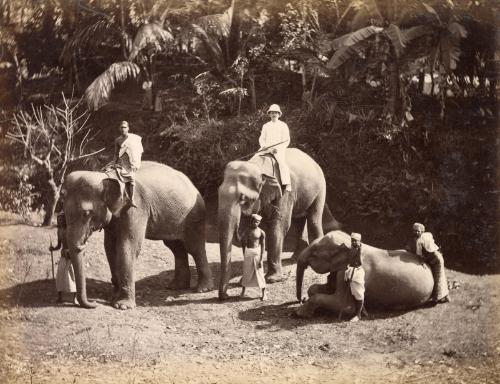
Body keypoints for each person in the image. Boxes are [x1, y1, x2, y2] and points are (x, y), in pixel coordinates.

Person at [405, 223, 450, 304]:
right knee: (439, 275)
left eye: (418, 231)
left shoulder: (420, 240)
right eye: (415, 231)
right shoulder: (427, 235)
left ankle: (437, 297)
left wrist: (423, 261)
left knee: (438, 276)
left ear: (422, 231)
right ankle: (445, 295)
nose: (416, 232)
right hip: (436, 256)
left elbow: (422, 253)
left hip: (435, 257)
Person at [258, 104, 291, 192]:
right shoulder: (266, 126)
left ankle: (287, 184)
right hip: (266, 148)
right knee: (255, 159)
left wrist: (278, 148)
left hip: (278, 150)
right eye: (272, 112)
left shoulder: (283, 125)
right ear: (269, 114)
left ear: (279, 114)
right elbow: (262, 139)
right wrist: (265, 146)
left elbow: (286, 140)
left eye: (276, 113)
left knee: (282, 164)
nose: (274, 114)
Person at [49, 212, 77, 305]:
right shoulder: (59, 231)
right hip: (63, 255)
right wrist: (53, 248)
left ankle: (75, 298)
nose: (60, 221)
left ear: (66, 220)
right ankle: (60, 297)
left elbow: (75, 244)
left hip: (72, 256)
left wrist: (71, 252)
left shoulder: (71, 230)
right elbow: (59, 245)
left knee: (72, 276)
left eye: (62, 219)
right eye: (59, 220)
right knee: (60, 276)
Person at [114, 121, 143, 207]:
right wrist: (115, 162)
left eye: (125, 127)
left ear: (128, 128)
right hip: (121, 161)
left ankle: (132, 199)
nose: (123, 129)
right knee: (116, 177)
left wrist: (135, 163)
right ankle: (120, 198)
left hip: (130, 162)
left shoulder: (133, 139)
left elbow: (137, 151)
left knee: (132, 179)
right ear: (119, 129)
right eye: (122, 127)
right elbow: (116, 153)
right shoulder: (118, 140)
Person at [240, 214, 267, 300]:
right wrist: (245, 254)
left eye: (258, 222)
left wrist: (261, 259)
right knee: (246, 273)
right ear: (251, 221)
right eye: (254, 221)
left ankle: (264, 293)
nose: (256, 223)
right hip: (248, 252)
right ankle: (243, 291)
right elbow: (243, 243)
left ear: (260, 222)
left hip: (257, 253)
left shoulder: (261, 232)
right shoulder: (247, 231)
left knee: (260, 273)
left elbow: (263, 246)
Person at [344, 232, 366, 322]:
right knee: (353, 292)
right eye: (352, 240)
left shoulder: (361, 249)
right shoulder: (352, 249)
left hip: (358, 272)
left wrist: (359, 251)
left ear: (359, 241)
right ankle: (363, 310)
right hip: (351, 270)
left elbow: (361, 262)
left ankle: (358, 315)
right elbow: (350, 259)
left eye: (355, 241)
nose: (353, 242)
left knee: (359, 293)